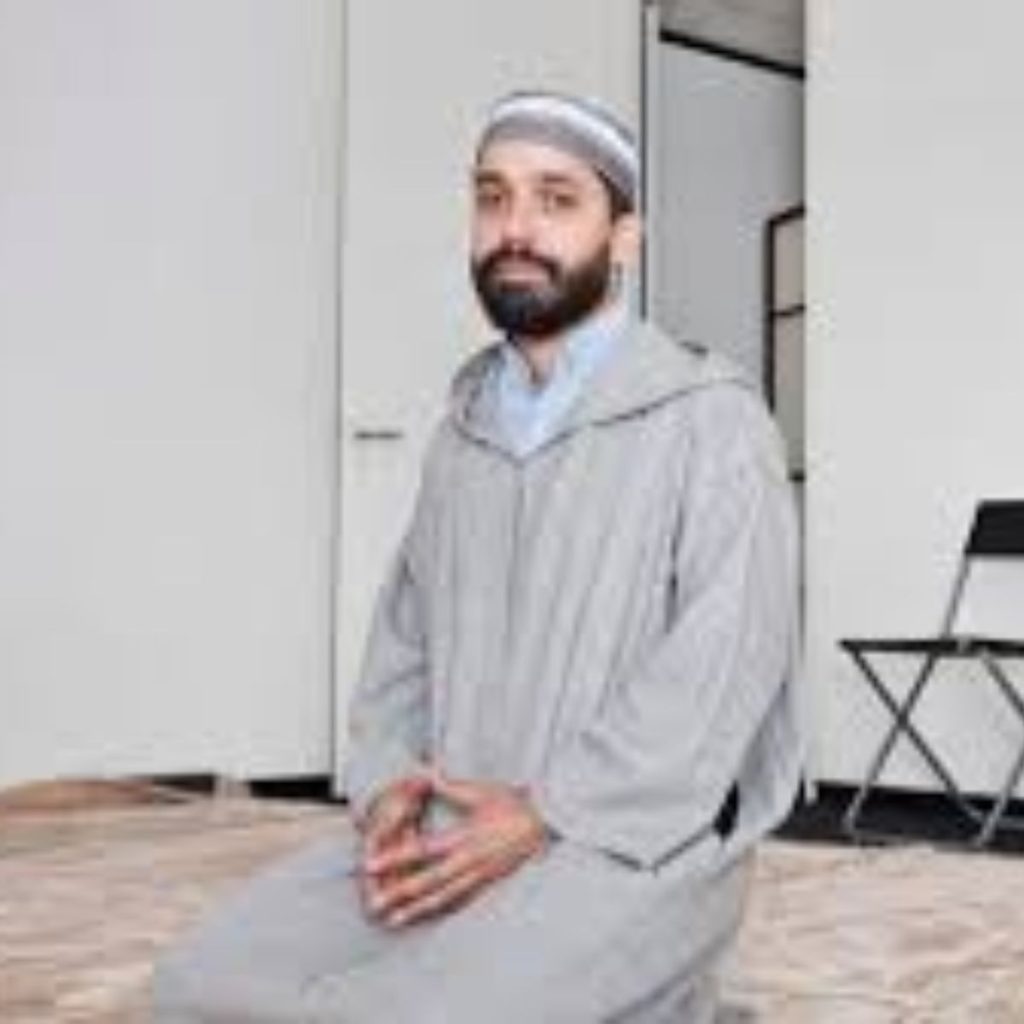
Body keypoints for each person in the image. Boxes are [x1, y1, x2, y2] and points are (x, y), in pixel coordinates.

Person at [152, 89, 801, 1023]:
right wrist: (388, 790)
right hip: (449, 831)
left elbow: (722, 673)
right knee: (197, 987)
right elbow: (404, 641)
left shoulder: (713, 423)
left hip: (625, 847)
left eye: (557, 199)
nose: (516, 228)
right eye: (493, 197)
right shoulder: (463, 435)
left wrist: (543, 812)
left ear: (624, 237)